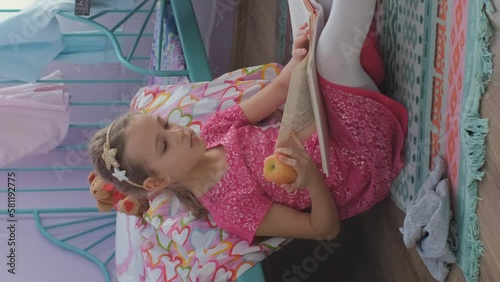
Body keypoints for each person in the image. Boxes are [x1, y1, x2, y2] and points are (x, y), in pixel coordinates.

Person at [89, 0, 407, 244]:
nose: (180, 132)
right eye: (164, 144)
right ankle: (357, 57)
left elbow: (282, 88)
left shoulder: (211, 131)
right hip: (358, 160)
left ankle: (360, 59)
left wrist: (299, 55)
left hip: (331, 118)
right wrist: (311, 178)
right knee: (331, 55)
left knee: (316, 16)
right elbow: (323, 230)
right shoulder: (232, 209)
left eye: (166, 124)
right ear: (156, 183)